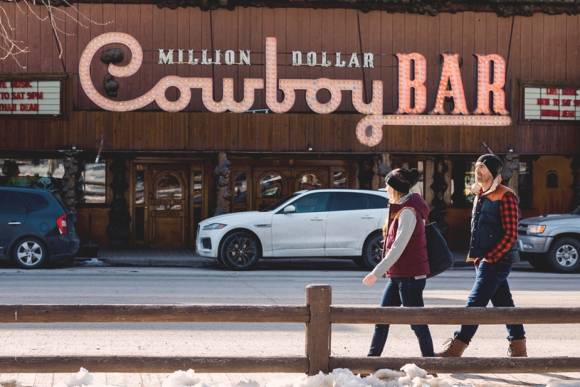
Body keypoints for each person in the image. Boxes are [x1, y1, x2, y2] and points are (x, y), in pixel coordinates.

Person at [437, 154, 527, 357]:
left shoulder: (506, 195)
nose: (478, 170)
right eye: (476, 166)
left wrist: (491, 257)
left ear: (493, 172)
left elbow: (511, 233)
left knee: (474, 304)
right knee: (505, 304)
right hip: (483, 260)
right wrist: (479, 257)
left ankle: (456, 349)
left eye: (483, 167)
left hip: (496, 260)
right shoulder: (480, 194)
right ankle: (519, 348)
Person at [362, 168, 434, 358]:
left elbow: (398, 248)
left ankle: (431, 362)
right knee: (382, 319)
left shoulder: (408, 212)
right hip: (399, 275)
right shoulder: (401, 207)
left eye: (387, 184)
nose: (385, 188)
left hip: (410, 277)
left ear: (395, 188)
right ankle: (371, 361)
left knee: (417, 322)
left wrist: (376, 273)